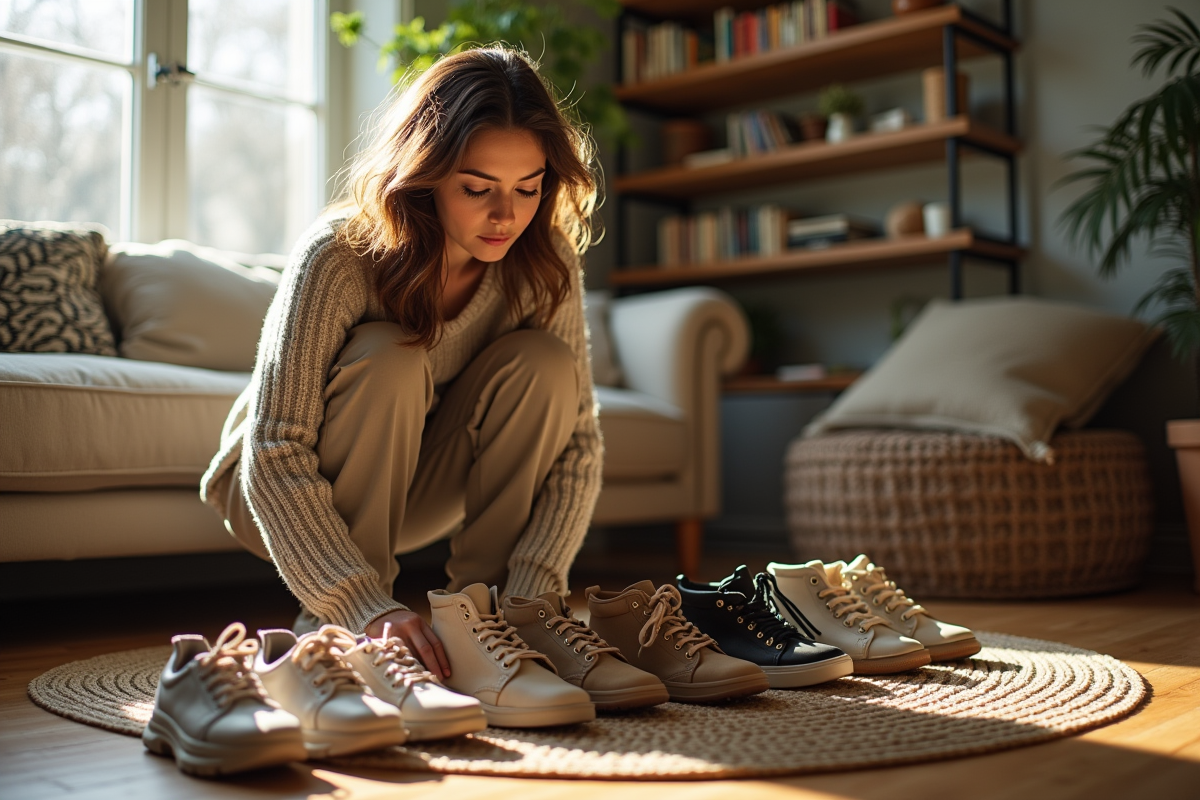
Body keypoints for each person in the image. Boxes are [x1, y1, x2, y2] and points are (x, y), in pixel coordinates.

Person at [200, 46, 604, 679]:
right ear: (426, 173)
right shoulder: (338, 256)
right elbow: (274, 451)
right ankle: (339, 631)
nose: (507, 215)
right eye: (477, 189)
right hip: (278, 499)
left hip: (417, 490)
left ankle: (490, 624)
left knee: (546, 365)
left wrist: (535, 593)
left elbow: (578, 445)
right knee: (390, 354)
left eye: (528, 189)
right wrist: (360, 605)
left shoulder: (543, 258)